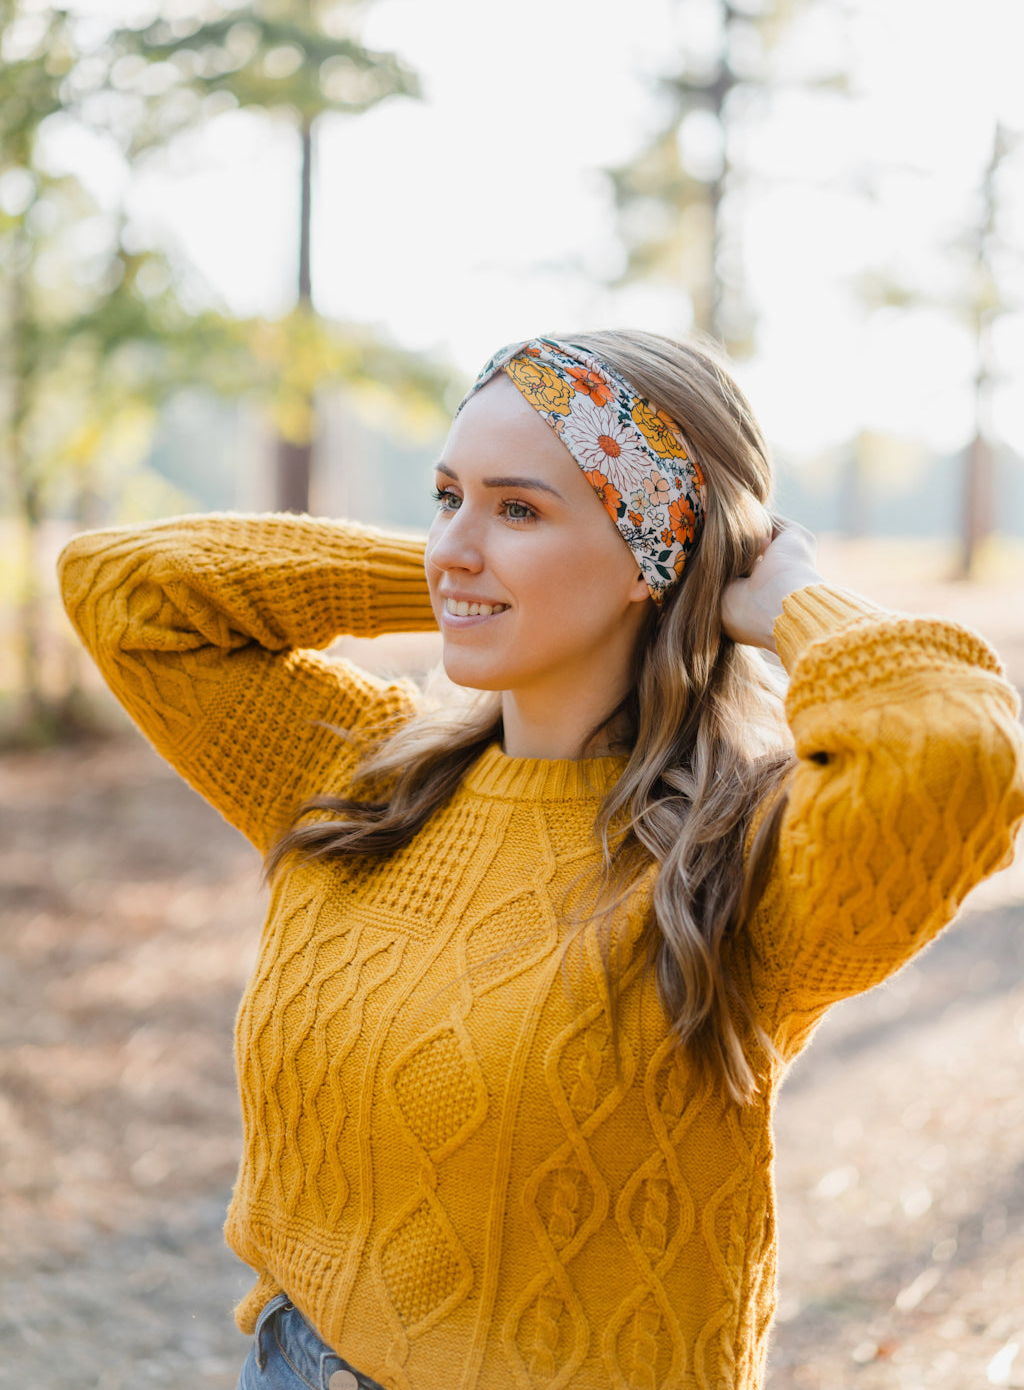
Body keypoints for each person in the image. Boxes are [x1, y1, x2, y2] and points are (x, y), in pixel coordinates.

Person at [58, 330, 1024, 1390]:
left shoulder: (738, 860)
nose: (452, 543)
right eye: (445, 497)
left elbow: (956, 754)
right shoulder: (364, 775)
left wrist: (781, 604)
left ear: (655, 554)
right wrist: (474, 572)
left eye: (518, 508)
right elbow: (130, 588)